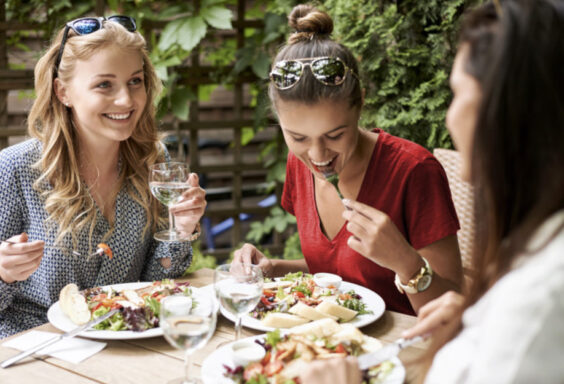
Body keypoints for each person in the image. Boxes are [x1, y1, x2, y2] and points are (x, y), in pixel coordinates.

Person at [299, 0, 564, 382]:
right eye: (299, 138)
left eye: (457, 92)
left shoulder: (537, 301)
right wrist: (474, 324)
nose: (449, 114)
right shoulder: (533, 255)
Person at [234, 4, 463, 315]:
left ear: (361, 104)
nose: (318, 156)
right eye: (298, 138)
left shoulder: (414, 170)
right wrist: (273, 268)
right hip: (331, 349)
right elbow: (340, 272)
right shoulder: (298, 165)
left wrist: (405, 262)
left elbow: (456, 313)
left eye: (335, 135)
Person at [0, 16, 206, 338]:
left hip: (121, 343)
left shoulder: (152, 162)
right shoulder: (15, 170)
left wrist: (182, 229)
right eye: (104, 84)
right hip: (34, 347)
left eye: (135, 81)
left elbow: (155, 284)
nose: (125, 100)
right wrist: (3, 273)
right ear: (63, 91)